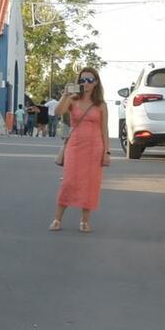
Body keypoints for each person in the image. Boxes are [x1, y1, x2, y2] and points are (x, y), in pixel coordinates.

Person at [53, 70, 108, 232]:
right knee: (69, 182)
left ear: (96, 82)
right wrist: (64, 95)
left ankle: (84, 221)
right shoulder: (72, 99)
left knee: (91, 184)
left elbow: (104, 130)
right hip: (75, 146)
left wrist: (107, 152)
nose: (87, 83)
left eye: (90, 80)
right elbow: (57, 112)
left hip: (94, 147)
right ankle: (57, 219)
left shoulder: (101, 105)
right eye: (83, 80)